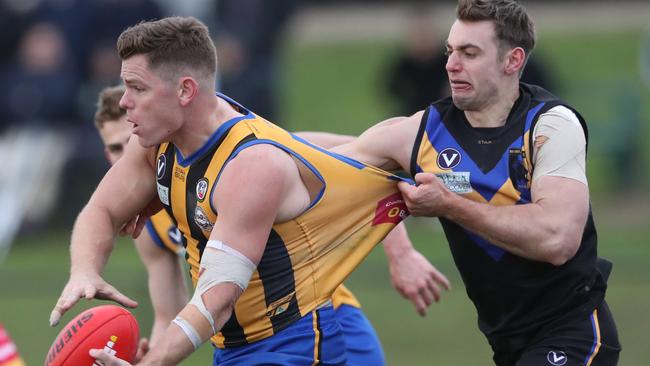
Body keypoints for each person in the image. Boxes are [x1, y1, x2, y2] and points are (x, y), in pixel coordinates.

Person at [49, 16, 449, 365]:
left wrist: (402, 250)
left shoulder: (251, 163)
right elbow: (99, 210)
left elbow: (215, 299)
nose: (126, 104)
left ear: (185, 91)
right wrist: (84, 270)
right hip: (234, 344)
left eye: (137, 88)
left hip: (297, 339)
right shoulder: (156, 144)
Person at [333, 1, 621, 365]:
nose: (451, 65)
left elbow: (557, 240)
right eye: (450, 51)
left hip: (572, 333)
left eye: (469, 53)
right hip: (507, 343)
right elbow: (323, 164)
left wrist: (449, 205)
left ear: (512, 61)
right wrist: (246, 134)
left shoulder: (550, 126)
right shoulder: (424, 131)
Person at [93, 86, 189, 359]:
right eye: (115, 148)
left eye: (131, 140)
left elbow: (313, 150)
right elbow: (168, 316)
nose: (126, 155)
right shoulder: (145, 225)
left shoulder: (212, 165)